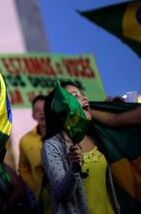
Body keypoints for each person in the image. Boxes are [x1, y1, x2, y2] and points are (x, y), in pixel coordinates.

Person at [41, 81, 120, 214]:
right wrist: (74, 168)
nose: (85, 98)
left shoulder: (95, 137)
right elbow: (61, 195)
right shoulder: (52, 145)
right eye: (75, 96)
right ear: (62, 107)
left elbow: (116, 120)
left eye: (82, 94)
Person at [18, 95, 46, 202]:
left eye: (45, 109)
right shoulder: (25, 141)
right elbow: (23, 169)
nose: (42, 113)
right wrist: (36, 188)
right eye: (37, 110)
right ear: (33, 115)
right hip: (46, 201)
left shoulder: (64, 133)